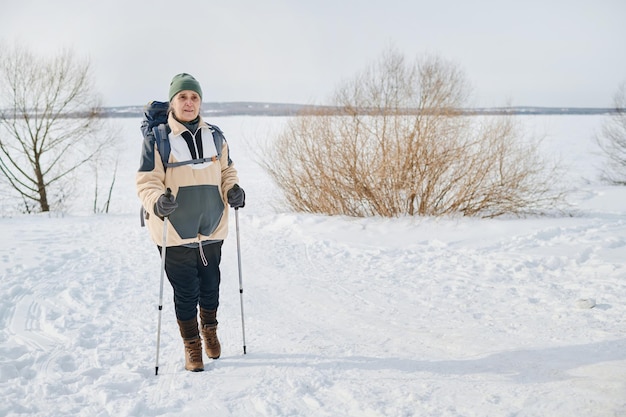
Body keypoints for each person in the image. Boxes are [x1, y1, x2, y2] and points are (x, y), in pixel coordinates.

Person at [136, 73, 245, 372]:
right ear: (172, 102)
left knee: (211, 286)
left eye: (194, 97)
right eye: (182, 97)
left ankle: (210, 330)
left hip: (212, 225)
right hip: (173, 230)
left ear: (200, 102)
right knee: (186, 291)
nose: (189, 102)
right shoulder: (157, 139)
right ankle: (192, 344)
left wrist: (233, 190)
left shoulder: (216, 135)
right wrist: (157, 201)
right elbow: (147, 182)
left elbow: (227, 173)